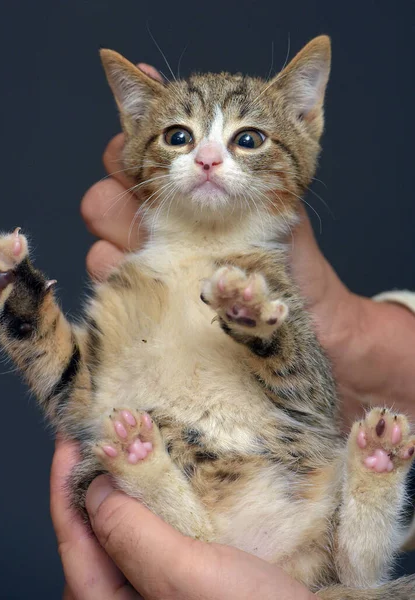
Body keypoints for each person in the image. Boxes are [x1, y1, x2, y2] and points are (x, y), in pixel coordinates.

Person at [51, 64, 415, 600]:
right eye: (179, 136)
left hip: (273, 503)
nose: (208, 158)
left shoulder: (267, 282)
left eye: (247, 139)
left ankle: (362, 508)